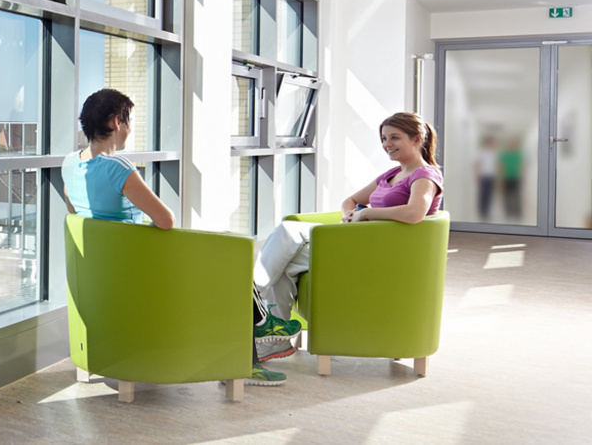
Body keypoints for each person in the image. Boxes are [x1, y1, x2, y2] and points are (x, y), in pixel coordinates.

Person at [62, 88, 297, 386]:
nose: (130, 129)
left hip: (104, 274)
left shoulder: (69, 163)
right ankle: (256, 337)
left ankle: (259, 327)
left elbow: (74, 213)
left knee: (223, 258)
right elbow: (165, 220)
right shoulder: (117, 167)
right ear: (115, 121)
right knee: (230, 262)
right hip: (139, 272)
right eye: (129, 120)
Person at [251, 112, 444, 363]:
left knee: (288, 231)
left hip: (382, 251)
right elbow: (349, 201)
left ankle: (252, 297)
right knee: (286, 264)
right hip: (357, 241)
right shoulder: (391, 174)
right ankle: (274, 340)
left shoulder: (425, 175)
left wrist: (368, 215)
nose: (387, 144)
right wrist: (350, 217)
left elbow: (415, 213)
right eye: (384, 138)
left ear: (417, 139)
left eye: (395, 138)